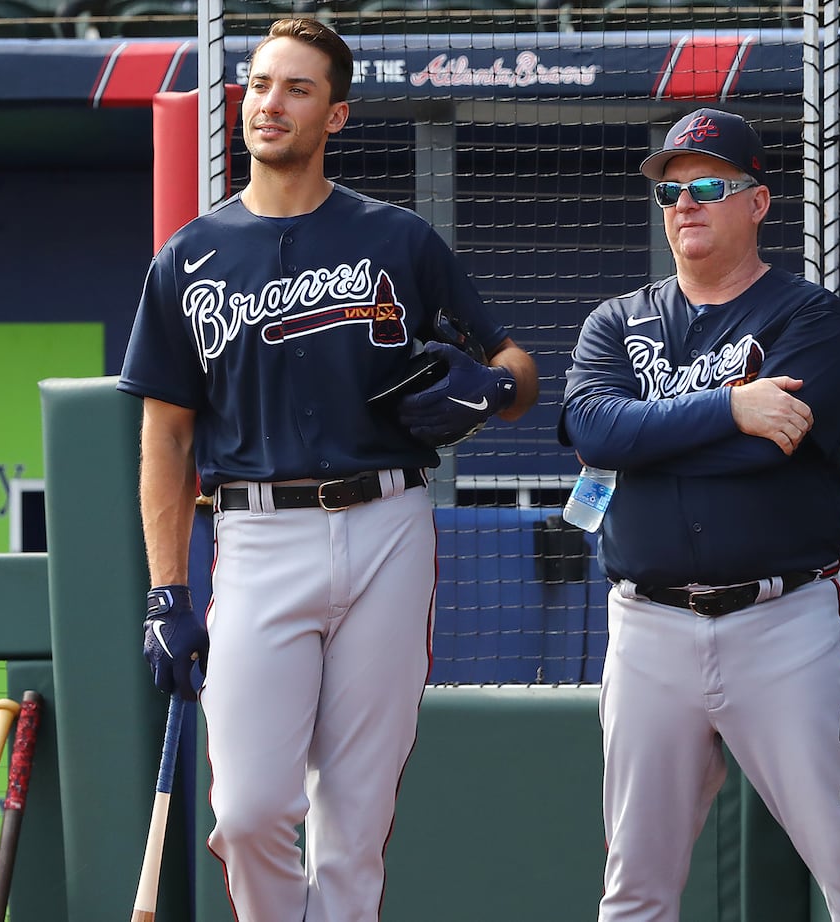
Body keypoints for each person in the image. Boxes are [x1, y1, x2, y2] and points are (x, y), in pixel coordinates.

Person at [117, 18, 538, 922]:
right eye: (261, 85)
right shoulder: (188, 257)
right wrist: (166, 593)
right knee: (251, 808)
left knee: (354, 824)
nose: (270, 103)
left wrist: (491, 389)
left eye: (296, 89)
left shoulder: (398, 239)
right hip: (258, 535)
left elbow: (516, 367)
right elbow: (165, 440)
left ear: (335, 115)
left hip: (387, 523)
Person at [560, 107, 840, 922]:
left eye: (710, 186)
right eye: (672, 192)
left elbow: (773, 449)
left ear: (757, 202)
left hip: (782, 623)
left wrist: (649, 441)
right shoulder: (615, 322)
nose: (686, 204)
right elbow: (591, 428)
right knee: (634, 890)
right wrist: (730, 409)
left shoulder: (806, 316)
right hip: (647, 628)